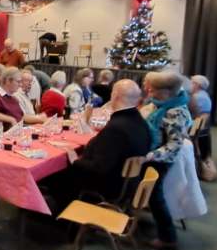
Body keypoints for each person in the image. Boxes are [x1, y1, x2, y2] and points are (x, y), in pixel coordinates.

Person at [49, 80, 151, 214]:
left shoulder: (116, 128)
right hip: (128, 182)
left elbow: (99, 167)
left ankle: (59, 216)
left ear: (115, 96)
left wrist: (75, 161)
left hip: (110, 185)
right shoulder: (140, 122)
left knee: (55, 174)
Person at [140, 72, 193, 250]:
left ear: (166, 92)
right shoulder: (163, 104)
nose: (149, 91)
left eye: (153, 90)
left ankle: (168, 238)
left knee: (155, 197)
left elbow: (174, 144)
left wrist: (151, 155)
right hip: (154, 156)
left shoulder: (175, 112)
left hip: (160, 160)